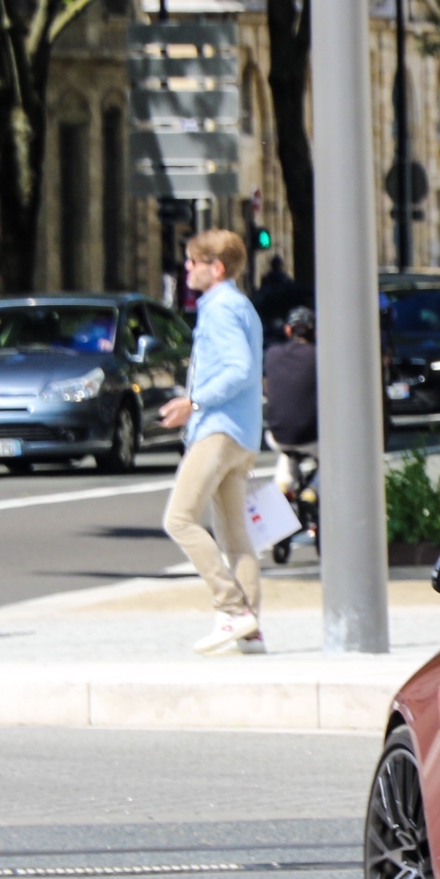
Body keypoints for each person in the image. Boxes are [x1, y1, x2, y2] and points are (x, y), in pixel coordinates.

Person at [159, 229, 268, 653]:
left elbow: (240, 369)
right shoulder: (241, 306)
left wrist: (194, 402)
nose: (187, 268)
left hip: (219, 428)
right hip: (242, 431)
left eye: (193, 262)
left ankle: (233, 609)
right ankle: (251, 631)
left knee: (179, 519)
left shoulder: (221, 309)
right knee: (236, 535)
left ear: (215, 267)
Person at [264, 304, 320, 495]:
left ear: (288, 330)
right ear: (316, 331)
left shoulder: (272, 354)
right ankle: (314, 490)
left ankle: (284, 484)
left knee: (288, 451)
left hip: (277, 435)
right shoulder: (320, 357)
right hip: (312, 437)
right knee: (334, 455)